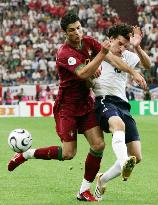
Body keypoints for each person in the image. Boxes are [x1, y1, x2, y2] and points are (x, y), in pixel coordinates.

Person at [8, 14, 146, 202]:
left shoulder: (88, 41)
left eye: (79, 27)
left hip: (87, 104)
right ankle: (26, 154)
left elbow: (112, 59)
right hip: (68, 107)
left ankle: (83, 190)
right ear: (65, 32)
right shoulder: (64, 53)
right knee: (68, 154)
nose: (78, 32)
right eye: (72, 30)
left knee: (98, 145)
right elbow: (83, 73)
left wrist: (133, 72)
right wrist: (99, 58)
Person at [92, 24, 151, 201]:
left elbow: (147, 65)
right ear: (111, 39)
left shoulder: (127, 54)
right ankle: (124, 160)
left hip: (123, 105)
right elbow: (114, 60)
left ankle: (102, 180)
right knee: (118, 125)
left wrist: (137, 47)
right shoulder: (101, 50)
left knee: (137, 156)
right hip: (104, 99)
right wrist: (133, 71)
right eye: (120, 43)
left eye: (125, 44)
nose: (122, 48)